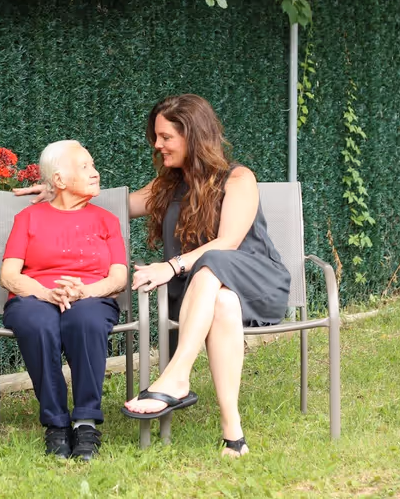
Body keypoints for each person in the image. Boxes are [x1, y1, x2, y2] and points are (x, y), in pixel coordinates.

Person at [16, 95, 290, 458]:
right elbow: (115, 204)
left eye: (165, 137)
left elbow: (227, 243)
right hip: (208, 294)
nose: (157, 145)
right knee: (219, 298)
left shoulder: (238, 179)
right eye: (157, 137)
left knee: (211, 267)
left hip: (254, 281)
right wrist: (57, 192)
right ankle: (233, 435)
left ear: (192, 135)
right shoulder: (167, 186)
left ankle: (176, 376)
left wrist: (172, 266)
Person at [0, 139, 127, 461]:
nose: (95, 173)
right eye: (85, 167)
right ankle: (56, 424)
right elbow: (9, 274)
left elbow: (118, 277)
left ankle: (85, 422)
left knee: (84, 319)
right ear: (58, 180)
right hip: (34, 296)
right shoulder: (29, 218)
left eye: (93, 166)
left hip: (91, 297)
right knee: (37, 322)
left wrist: (86, 291)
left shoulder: (106, 220)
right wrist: (44, 293)